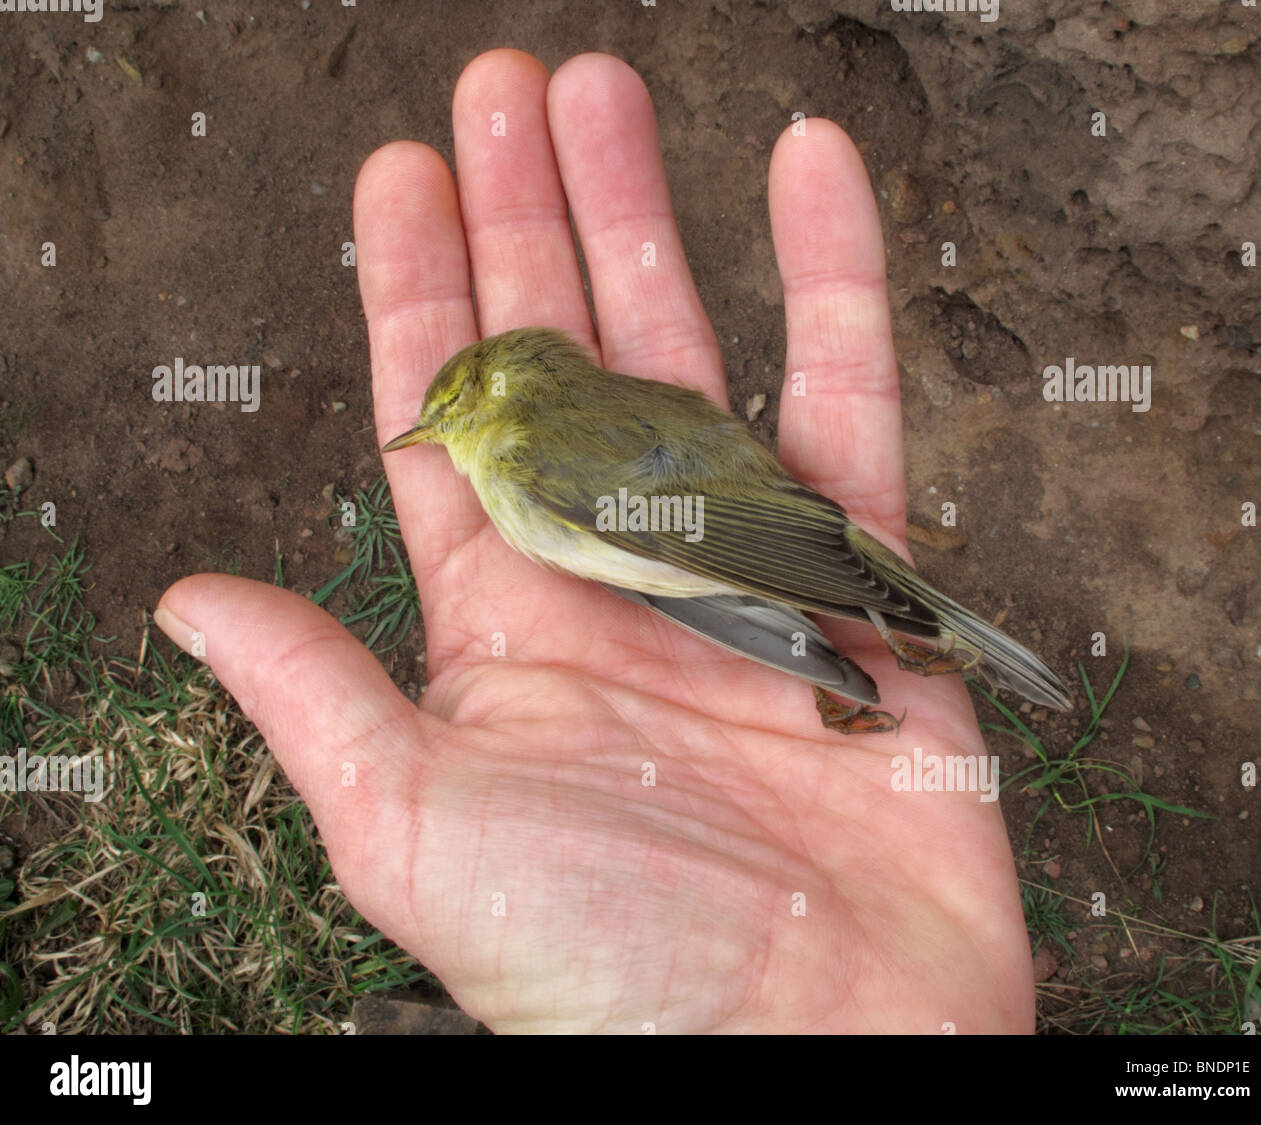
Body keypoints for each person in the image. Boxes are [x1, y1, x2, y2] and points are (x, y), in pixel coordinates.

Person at [155, 49, 1035, 1033]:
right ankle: (869, 633)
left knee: (742, 567)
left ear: (488, 398)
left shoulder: (522, 459)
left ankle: (891, 619)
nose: (433, 439)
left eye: (443, 419)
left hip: (734, 527)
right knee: (718, 583)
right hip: (724, 529)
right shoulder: (539, 409)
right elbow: (672, 563)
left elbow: (691, 534)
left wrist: (858, 594)